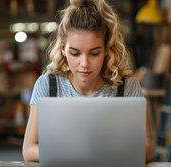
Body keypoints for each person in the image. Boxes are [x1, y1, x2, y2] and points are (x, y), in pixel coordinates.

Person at [22, 0, 153, 163]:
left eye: (94, 53)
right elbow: (29, 150)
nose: (84, 64)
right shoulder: (47, 86)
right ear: (63, 49)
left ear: (106, 49)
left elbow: (147, 150)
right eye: (75, 54)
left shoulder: (127, 87)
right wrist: (81, 154)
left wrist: (90, 153)